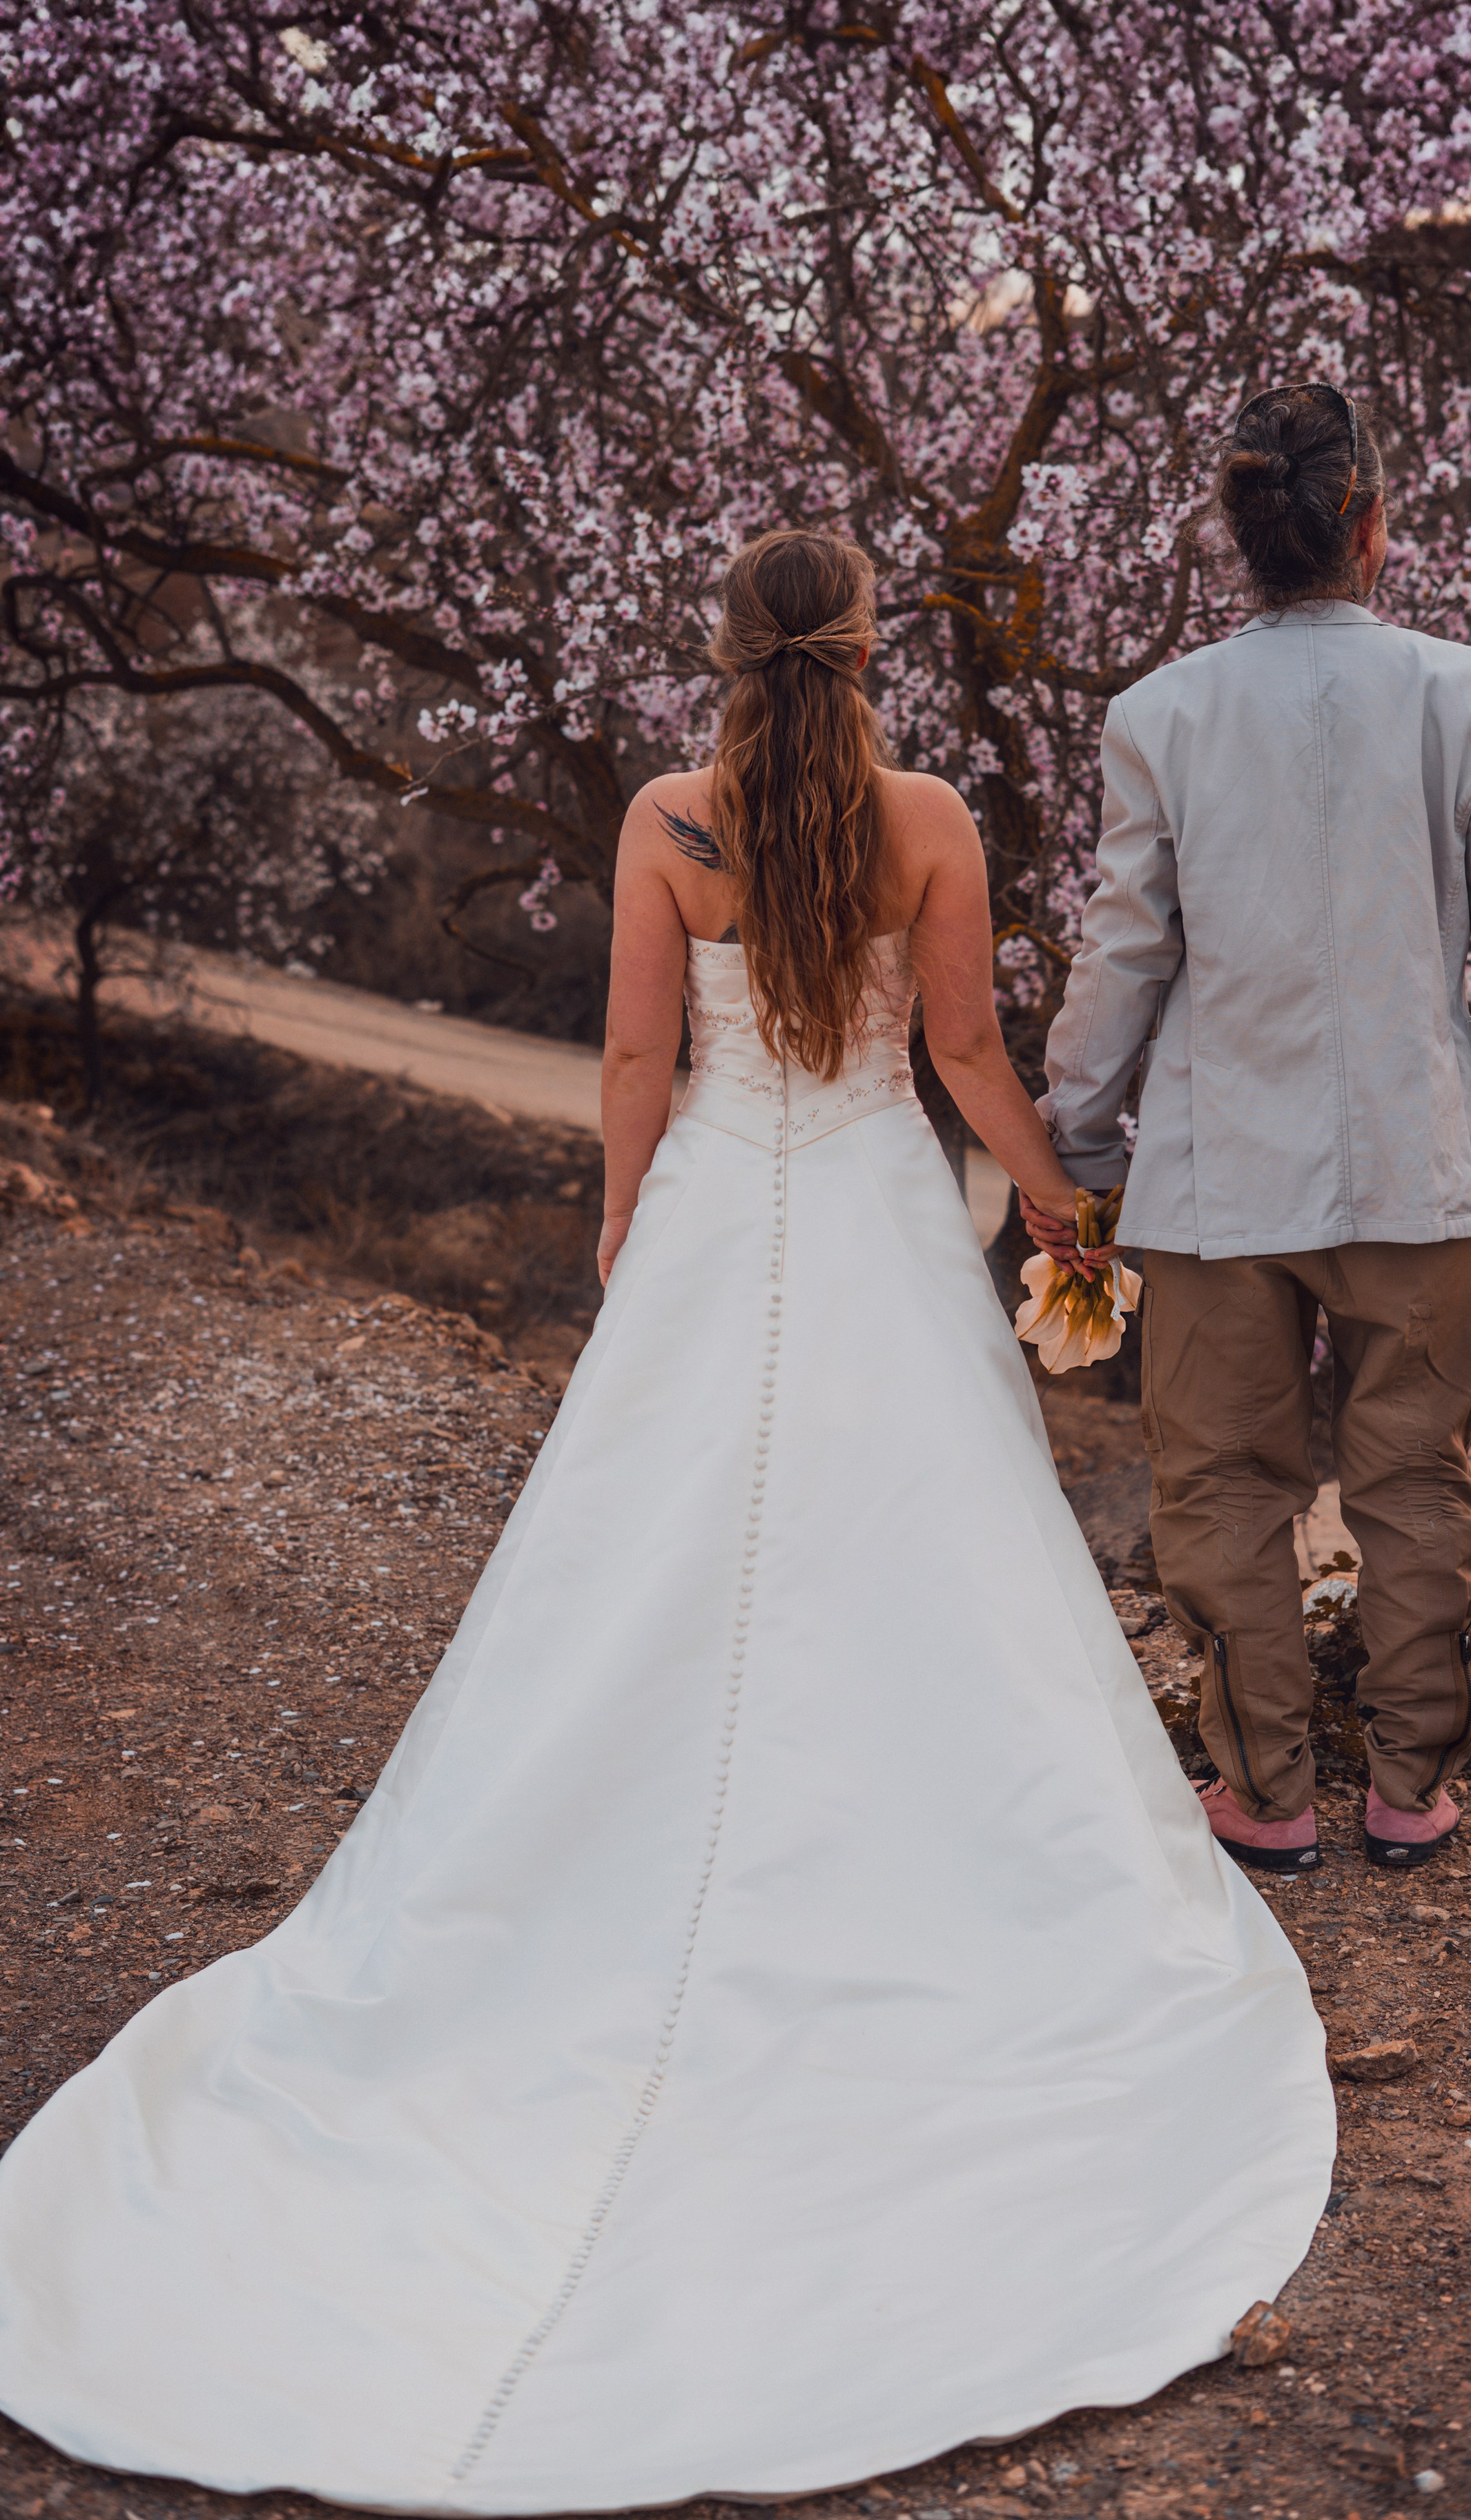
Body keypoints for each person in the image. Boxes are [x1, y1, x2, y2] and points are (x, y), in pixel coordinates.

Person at [0, 529, 1333, 2514]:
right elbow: (962, 1052)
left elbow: (641, 1051)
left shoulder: (665, 817)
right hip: (877, 1205)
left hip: (730, 1201)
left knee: (639, 1569)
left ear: (723, 649)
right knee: (927, 1573)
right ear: (877, 652)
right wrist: (1060, 1209)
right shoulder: (931, 817)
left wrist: (625, 1212)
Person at [1026, 384, 1471, 1879]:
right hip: (1418, 1163)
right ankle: (1409, 1783)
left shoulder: (1159, 716)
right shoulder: (1470, 692)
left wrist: (1076, 1143)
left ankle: (1263, 1791)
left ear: (1242, 537)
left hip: (1219, 1176)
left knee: (1219, 1483)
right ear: (1368, 527)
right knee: (1412, 1478)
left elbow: (1121, 951)